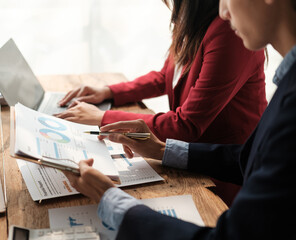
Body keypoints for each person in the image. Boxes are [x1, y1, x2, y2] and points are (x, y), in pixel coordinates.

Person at [63, 0, 296, 239]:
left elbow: (232, 235)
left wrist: (109, 199)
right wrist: (163, 149)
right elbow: (247, 157)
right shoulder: (287, 81)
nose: (223, 10)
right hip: (217, 166)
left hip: (226, 188)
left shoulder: (230, 35)